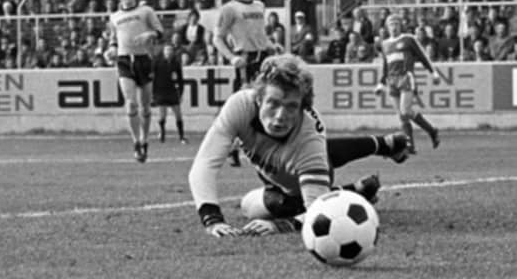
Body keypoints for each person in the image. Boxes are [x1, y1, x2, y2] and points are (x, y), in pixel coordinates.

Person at [188, 55, 412, 237]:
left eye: (291, 107)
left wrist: (281, 225)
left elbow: (317, 212)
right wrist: (212, 219)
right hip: (275, 174)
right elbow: (205, 162)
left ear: (303, 108)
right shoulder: (240, 105)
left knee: (271, 203)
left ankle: (353, 188)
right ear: (258, 99)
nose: (280, 116)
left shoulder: (309, 137)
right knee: (249, 205)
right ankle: (376, 157)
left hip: (298, 176)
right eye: (273, 103)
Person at [213, 0, 276, 167]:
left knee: (265, 103)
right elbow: (217, 38)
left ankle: (256, 147)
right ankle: (232, 145)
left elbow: (260, 33)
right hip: (245, 60)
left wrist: (270, 45)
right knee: (245, 106)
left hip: (263, 59)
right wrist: (231, 57)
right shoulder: (229, 9)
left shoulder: (259, 6)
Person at [104, 0, 164, 163]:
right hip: (124, 61)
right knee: (131, 104)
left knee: (145, 107)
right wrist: (111, 50)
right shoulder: (114, 17)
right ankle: (136, 142)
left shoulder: (146, 11)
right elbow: (113, 39)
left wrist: (150, 34)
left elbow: (161, 32)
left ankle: (145, 140)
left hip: (143, 60)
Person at [374, 14, 441, 153]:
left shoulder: (408, 39)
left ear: (400, 26)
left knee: (405, 111)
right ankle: (410, 146)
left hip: (406, 77)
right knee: (401, 115)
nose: (394, 27)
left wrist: (433, 72)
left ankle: (431, 131)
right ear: (387, 27)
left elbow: (423, 56)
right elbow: (385, 65)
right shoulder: (385, 44)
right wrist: (381, 84)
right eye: (391, 24)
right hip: (391, 80)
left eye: (396, 24)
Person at [152, 44, 188, 145]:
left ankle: (181, 136)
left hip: (172, 91)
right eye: (167, 50)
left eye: (170, 50)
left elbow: (180, 79)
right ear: (163, 51)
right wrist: (153, 93)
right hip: (161, 91)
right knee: (162, 115)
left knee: (178, 115)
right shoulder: (157, 62)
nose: (169, 52)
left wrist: (181, 93)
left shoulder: (176, 64)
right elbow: (153, 78)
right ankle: (162, 133)